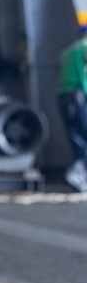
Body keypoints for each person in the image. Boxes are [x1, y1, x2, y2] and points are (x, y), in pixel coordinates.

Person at [55, 25, 87, 192]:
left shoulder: (66, 52)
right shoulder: (85, 49)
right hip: (80, 96)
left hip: (64, 97)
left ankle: (78, 172)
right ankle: (79, 172)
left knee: (75, 135)